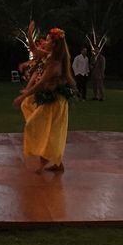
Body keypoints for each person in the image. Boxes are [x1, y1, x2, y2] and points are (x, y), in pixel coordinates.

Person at [13, 27, 75, 174]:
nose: (44, 42)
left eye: (47, 40)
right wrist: (29, 32)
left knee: (42, 130)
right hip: (50, 101)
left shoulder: (55, 64)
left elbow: (41, 84)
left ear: (53, 44)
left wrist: (24, 95)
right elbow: (34, 50)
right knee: (44, 129)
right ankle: (58, 164)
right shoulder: (49, 55)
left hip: (56, 103)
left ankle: (42, 165)